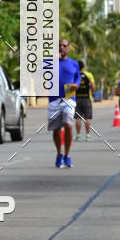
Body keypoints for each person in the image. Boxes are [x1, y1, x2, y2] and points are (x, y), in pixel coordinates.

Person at [48, 38, 80, 168]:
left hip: (69, 99)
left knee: (68, 125)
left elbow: (78, 77)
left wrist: (76, 86)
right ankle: (59, 154)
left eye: (64, 45)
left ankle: (67, 155)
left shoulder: (74, 63)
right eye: (59, 45)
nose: (61, 47)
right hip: (54, 100)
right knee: (56, 129)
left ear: (68, 48)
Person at [74, 60, 95, 141]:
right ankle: (88, 135)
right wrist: (92, 93)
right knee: (87, 118)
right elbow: (93, 85)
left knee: (78, 118)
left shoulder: (75, 75)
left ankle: (78, 135)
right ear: (83, 67)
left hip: (77, 98)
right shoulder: (88, 75)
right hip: (86, 98)